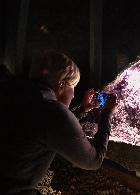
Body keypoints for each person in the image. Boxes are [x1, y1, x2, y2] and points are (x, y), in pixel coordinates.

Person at [0, 50, 116, 195]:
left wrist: (82, 110)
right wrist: (107, 113)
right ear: (61, 85)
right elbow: (93, 161)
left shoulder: (14, 90)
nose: (73, 96)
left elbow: (46, 126)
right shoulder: (52, 112)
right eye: (73, 88)